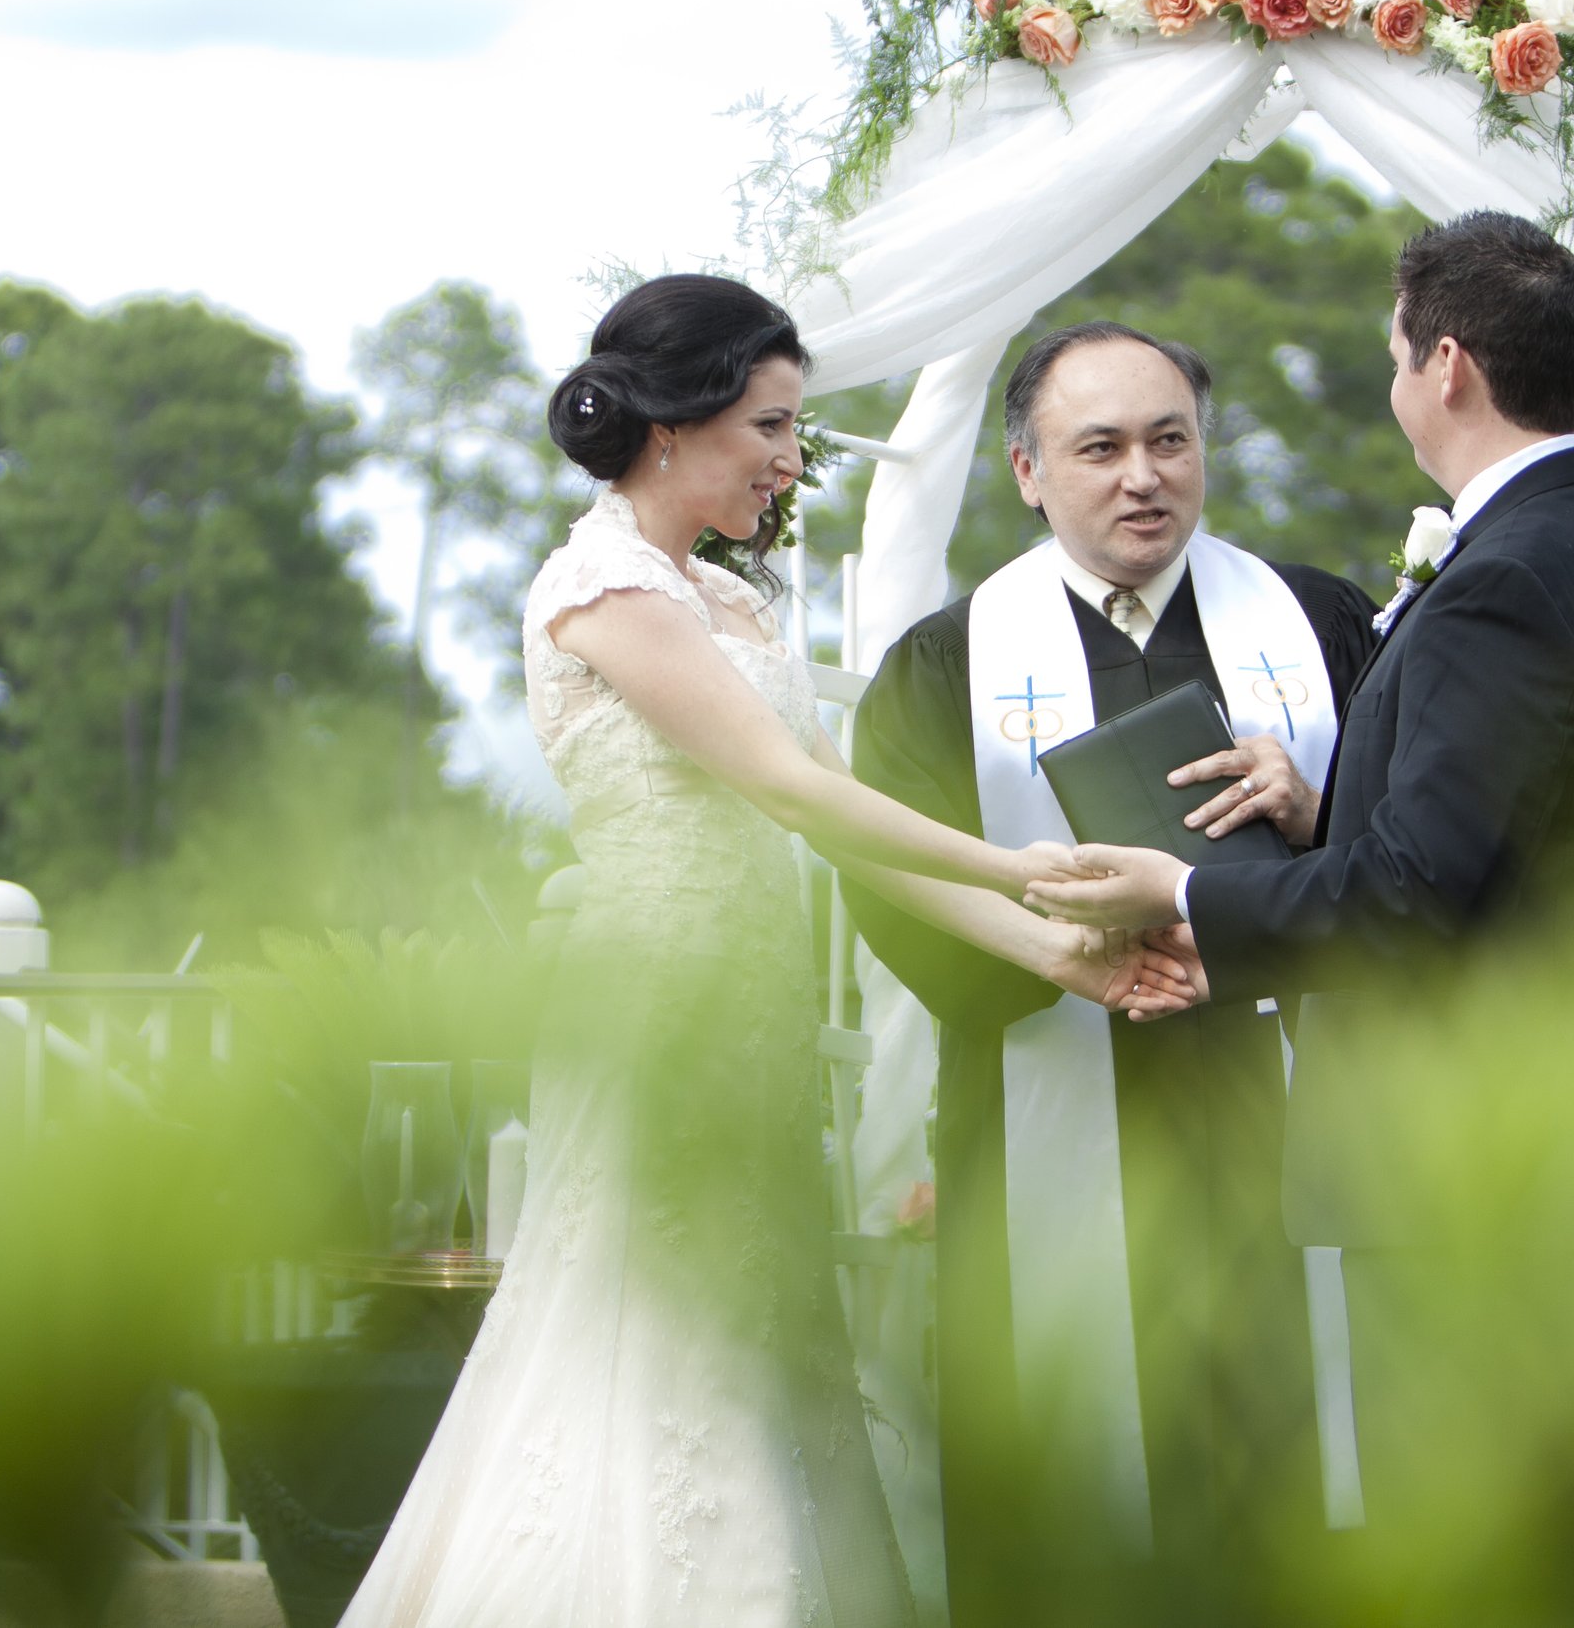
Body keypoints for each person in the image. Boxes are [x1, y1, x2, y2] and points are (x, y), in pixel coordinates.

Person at [339, 275, 1193, 1628]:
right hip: (656, 1013)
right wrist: (1025, 865)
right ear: (674, 423)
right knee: (644, 1339)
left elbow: (849, 843)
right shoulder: (599, 587)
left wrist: (1050, 953)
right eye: (772, 426)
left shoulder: (725, 604)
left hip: (756, 1017)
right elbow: (795, 791)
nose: (792, 460)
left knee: (755, 1349)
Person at [1026, 213, 1574, 1619]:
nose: (1394, 382)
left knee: (1492, 1532)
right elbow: (1512, 845)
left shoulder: (1505, 579)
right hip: (1573, 1096)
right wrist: (1313, 809)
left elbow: (1416, 897)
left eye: (1397, 356)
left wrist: (1188, 891)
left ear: (1445, 366)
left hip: (1476, 1132)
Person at [841, 322, 1378, 1627]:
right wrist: (1064, 960)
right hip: (1041, 1108)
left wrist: (1315, 811)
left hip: (1274, 1116)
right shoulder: (945, 663)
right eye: (1101, 448)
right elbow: (887, 888)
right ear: (1027, 470)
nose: (1144, 475)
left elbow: (1409, 856)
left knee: (1279, 1482)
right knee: (1058, 1489)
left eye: (1170, 439)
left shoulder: (1318, 626)